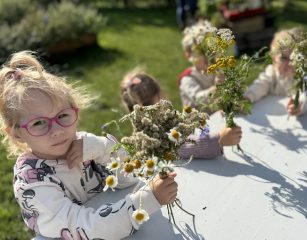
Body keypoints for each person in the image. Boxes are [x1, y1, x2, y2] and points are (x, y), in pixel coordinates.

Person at [0, 51, 178, 239]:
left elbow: (130, 176)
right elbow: (85, 228)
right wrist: (147, 201)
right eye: (38, 123)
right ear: (17, 134)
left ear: (75, 111)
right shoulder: (32, 184)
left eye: (62, 116)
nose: (57, 130)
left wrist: (100, 147)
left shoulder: (83, 144)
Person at [120, 68, 242, 159]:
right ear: (159, 96)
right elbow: (180, 146)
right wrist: (219, 139)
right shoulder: (152, 134)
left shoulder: (156, 124)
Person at [244, 28, 307, 116]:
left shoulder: (306, 75)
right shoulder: (272, 72)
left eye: (296, 59)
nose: (290, 63)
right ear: (273, 58)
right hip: (274, 115)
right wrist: (247, 97)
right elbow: (260, 85)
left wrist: (300, 103)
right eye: (284, 58)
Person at [178, 21, 222, 113]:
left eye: (211, 50)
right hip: (199, 124)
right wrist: (217, 88)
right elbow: (198, 98)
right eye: (201, 53)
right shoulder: (188, 78)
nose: (208, 55)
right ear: (189, 56)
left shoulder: (217, 70)